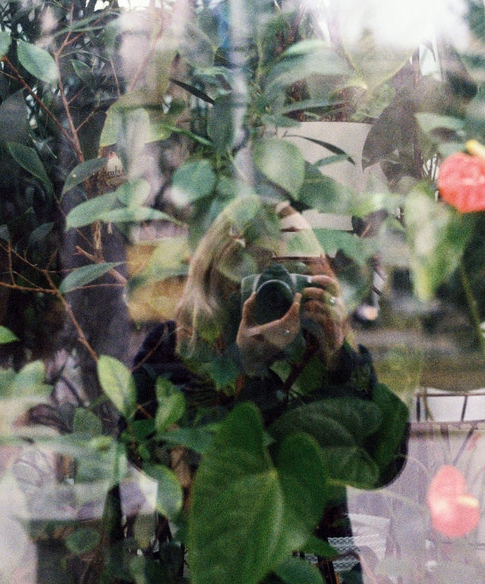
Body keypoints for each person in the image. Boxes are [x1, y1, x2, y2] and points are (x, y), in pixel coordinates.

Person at [130, 197, 408, 582]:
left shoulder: (326, 353)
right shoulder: (174, 347)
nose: (277, 293)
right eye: (260, 276)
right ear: (217, 278)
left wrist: (340, 353)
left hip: (323, 567)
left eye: (297, 274)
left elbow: (385, 464)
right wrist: (239, 364)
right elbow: (161, 465)